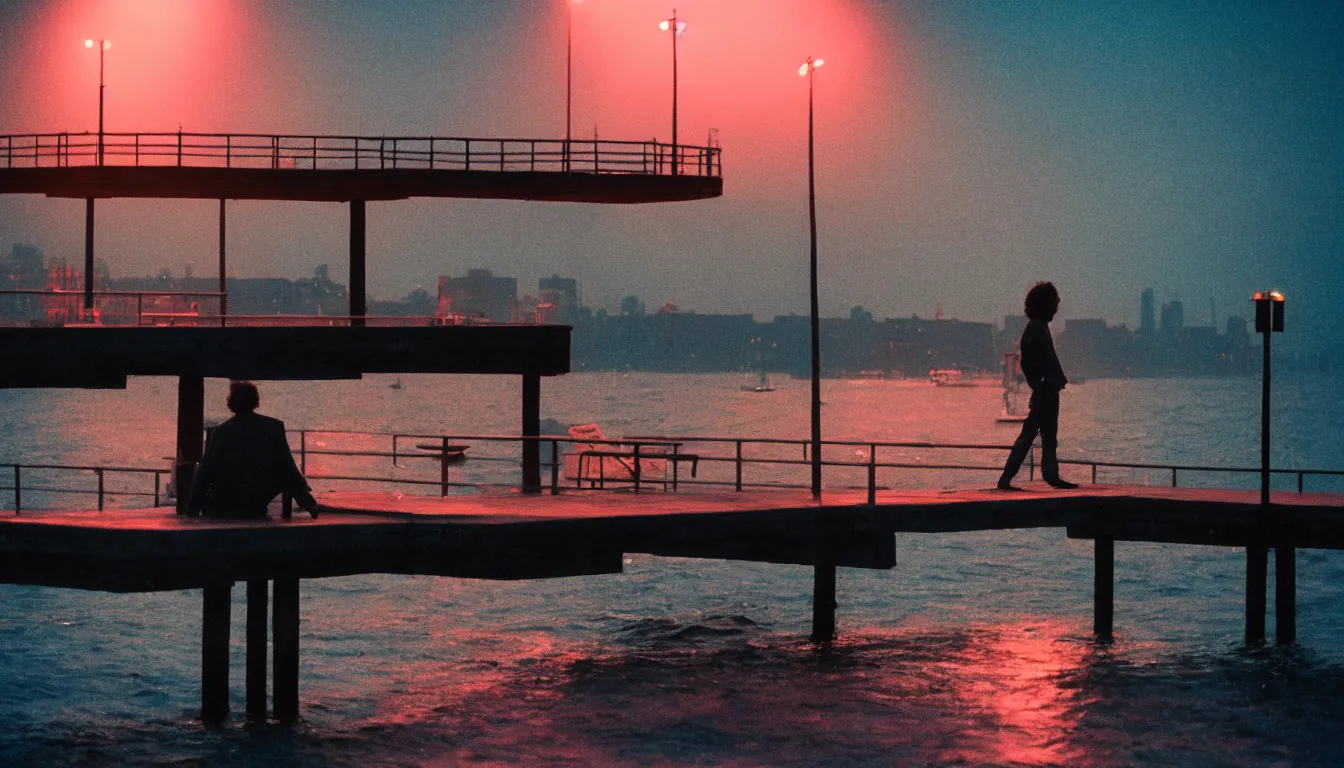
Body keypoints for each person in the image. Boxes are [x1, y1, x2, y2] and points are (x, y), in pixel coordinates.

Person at [187, 381, 321, 519]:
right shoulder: (273, 427)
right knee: (284, 469)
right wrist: (305, 498)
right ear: (255, 401)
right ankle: (306, 503)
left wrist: (193, 506)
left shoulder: (222, 431)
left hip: (228, 500)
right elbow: (288, 466)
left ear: (231, 403)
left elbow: (206, 471)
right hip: (258, 497)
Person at [997, 282, 1079, 491]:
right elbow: (1029, 362)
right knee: (1032, 435)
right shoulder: (1036, 327)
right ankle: (1009, 479)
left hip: (1047, 389)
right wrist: (1040, 384)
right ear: (1046, 304)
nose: (1056, 307)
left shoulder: (1038, 326)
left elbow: (1030, 361)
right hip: (1046, 390)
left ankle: (1049, 475)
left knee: (1046, 436)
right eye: (1054, 302)